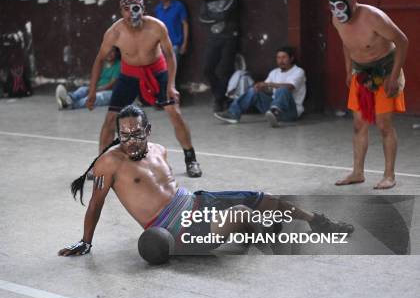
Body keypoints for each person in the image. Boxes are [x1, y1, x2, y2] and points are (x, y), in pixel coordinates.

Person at [58, 105, 353, 256]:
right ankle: (260, 233)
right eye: (124, 135)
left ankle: (317, 221)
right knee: (243, 214)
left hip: (196, 200)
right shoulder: (110, 162)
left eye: (137, 134)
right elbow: (95, 204)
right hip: (175, 229)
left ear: (148, 130)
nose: (131, 141)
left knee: (265, 197)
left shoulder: (160, 150)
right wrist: (86, 242)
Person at [86, 0, 202, 178]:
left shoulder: (157, 27)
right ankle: (101, 164)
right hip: (129, 75)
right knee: (110, 119)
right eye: (126, 9)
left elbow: (171, 56)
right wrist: (92, 91)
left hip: (157, 72)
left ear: (142, 8)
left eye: (135, 8)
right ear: (121, 11)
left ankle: (191, 159)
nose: (131, 13)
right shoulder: (114, 32)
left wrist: (171, 85)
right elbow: (99, 60)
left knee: (175, 113)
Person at [329, 0, 408, 190]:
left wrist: (394, 76)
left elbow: (402, 41)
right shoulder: (337, 19)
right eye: (332, 5)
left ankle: (389, 175)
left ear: (353, 2)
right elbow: (347, 44)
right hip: (360, 73)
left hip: (385, 71)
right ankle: (357, 173)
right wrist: (348, 70)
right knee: (358, 125)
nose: (336, 10)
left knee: (384, 125)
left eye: (341, 4)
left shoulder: (373, 17)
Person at [214, 47, 306, 127]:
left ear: (291, 58)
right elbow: (267, 89)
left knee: (283, 89)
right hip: (271, 109)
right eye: (278, 58)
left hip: (291, 111)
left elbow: (290, 87)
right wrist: (260, 87)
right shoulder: (274, 72)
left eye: (284, 57)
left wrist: (268, 84)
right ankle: (233, 113)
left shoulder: (298, 71)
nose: (281, 60)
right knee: (253, 91)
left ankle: (275, 112)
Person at [199, 0, 239, 113]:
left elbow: (225, 13)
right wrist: (217, 16)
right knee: (207, 68)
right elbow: (202, 18)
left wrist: (214, 16)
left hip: (229, 38)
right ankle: (219, 96)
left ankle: (219, 99)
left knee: (225, 70)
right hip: (213, 38)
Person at [56, 47, 120, 110]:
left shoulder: (119, 65)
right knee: (83, 89)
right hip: (99, 88)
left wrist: (96, 89)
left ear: (116, 53)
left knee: (96, 97)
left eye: (112, 51)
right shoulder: (103, 63)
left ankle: (70, 105)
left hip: (111, 92)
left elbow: (111, 85)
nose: (109, 53)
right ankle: (68, 98)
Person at [154, 0, 189, 65]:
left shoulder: (179, 6)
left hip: (175, 44)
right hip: (161, 45)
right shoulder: (158, 8)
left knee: (171, 70)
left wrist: (184, 43)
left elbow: (185, 24)